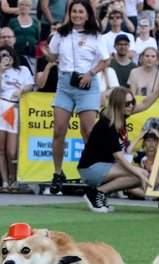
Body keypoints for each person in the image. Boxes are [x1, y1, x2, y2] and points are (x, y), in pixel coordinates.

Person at [45, 0, 110, 194]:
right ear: (69, 13)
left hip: (87, 83)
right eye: (74, 11)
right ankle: (58, 173)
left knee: (88, 132)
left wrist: (90, 73)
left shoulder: (96, 35)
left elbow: (106, 60)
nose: (77, 15)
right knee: (58, 130)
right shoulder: (61, 33)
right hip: (65, 83)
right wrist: (46, 53)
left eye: (81, 12)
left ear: (87, 14)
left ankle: (94, 173)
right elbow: (52, 56)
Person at [77, 84, 159, 213]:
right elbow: (119, 156)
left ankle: (100, 193)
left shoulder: (120, 114)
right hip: (90, 169)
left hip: (104, 166)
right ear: (118, 105)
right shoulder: (107, 125)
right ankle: (96, 193)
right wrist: (138, 173)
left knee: (140, 175)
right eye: (127, 103)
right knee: (141, 174)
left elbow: (145, 104)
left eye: (132, 102)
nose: (131, 106)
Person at [0, 45, 33, 192]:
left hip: (15, 108)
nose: (5, 58)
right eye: (2, 56)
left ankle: (14, 179)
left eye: (7, 55)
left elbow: (30, 85)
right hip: (0, 108)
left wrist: (21, 90)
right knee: (0, 149)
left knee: (12, 151)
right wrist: (1, 70)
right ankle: (5, 181)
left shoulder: (23, 70)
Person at [7, 0, 40, 66]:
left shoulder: (35, 22)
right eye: (22, 4)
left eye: (26, 5)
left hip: (31, 56)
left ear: (30, 7)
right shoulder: (12, 21)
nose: (24, 7)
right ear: (18, 6)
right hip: (16, 54)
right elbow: (8, 36)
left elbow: (38, 39)